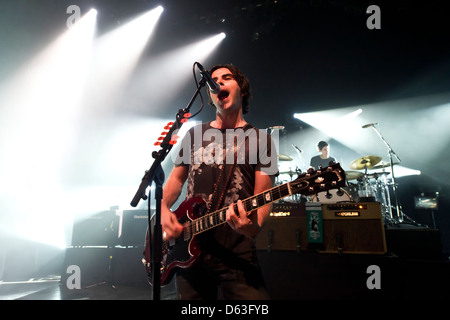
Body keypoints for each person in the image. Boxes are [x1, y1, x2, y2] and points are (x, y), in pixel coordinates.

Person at [161, 64, 278, 300]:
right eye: (214, 80)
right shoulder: (194, 135)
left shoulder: (261, 139)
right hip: (189, 249)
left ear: (242, 90)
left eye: (227, 78)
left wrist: (254, 227)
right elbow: (175, 180)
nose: (219, 82)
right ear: (211, 95)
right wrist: (163, 210)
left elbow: (264, 196)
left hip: (237, 250)